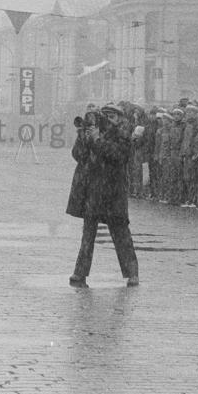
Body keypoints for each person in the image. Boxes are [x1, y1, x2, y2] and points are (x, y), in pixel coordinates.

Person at [65, 103, 140, 288]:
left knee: (121, 233)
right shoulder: (94, 132)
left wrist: (98, 140)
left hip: (113, 192)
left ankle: (132, 273)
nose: (108, 120)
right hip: (93, 191)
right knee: (88, 235)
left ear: (119, 118)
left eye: (112, 116)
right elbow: (78, 155)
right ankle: (80, 273)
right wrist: (83, 137)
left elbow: (118, 156)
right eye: (106, 116)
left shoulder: (122, 134)